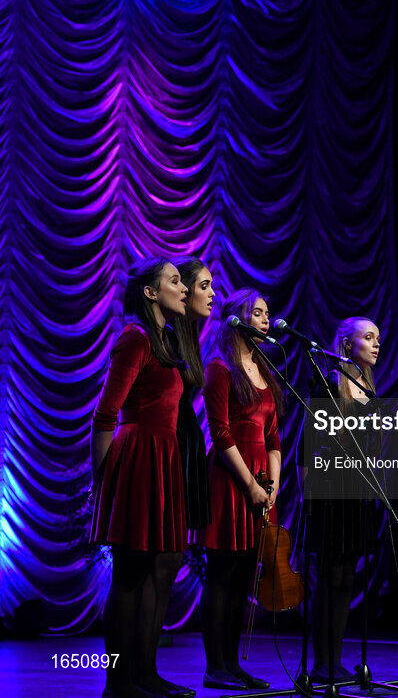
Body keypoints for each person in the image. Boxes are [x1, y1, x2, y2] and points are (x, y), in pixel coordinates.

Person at [90, 258, 195, 698]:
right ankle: (117, 681)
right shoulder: (134, 339)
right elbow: (105, 415)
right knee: (130, 574)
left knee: (153, 569)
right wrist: (105, 485)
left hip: (164, 459)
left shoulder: (166, 340)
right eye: (175, 281)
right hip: (138, 460)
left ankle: (143, 674)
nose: (184, 288)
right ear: (150, 292)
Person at [198, 290, 282, 690]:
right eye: (258, 313)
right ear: (236, 319)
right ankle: (215, 667)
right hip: (231, 483)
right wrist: (249, 485)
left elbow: (274, 437)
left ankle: (233, 665)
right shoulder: (220, 369)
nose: (265, 320)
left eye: (267, 314)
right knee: (223, 576)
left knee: (245, 575)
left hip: (262, 488)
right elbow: (219, 432)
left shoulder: (265, 371)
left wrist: (274, 485)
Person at [306, 316, 381, 684]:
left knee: (347, 579)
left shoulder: (370, 388)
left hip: (359, 491)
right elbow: (309, 448)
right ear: (348, 345)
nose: (376, 343)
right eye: (368, 337)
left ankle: (335, 658)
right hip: (331, 490)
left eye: (378, 338)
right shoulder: (327, 385)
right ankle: (321, 662)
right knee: (330, 575)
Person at [172, 257, 215, 533]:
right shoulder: (170, 338)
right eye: (205, 286)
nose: (212, 294)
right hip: (174, 444)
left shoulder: (189, 337)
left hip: (187, 441)